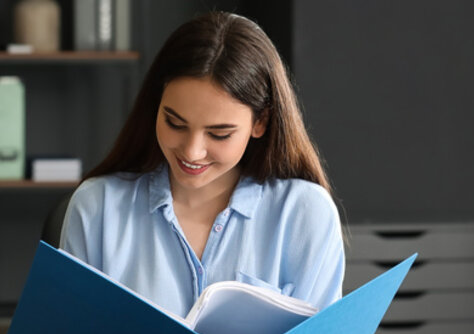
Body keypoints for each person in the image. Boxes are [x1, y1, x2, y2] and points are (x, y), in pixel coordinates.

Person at [59, 11, 345, 318]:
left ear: (260, 122)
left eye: (219, 133)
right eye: (175, 123)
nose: (192, 152)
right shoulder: (97, 207)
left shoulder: (303, 213)